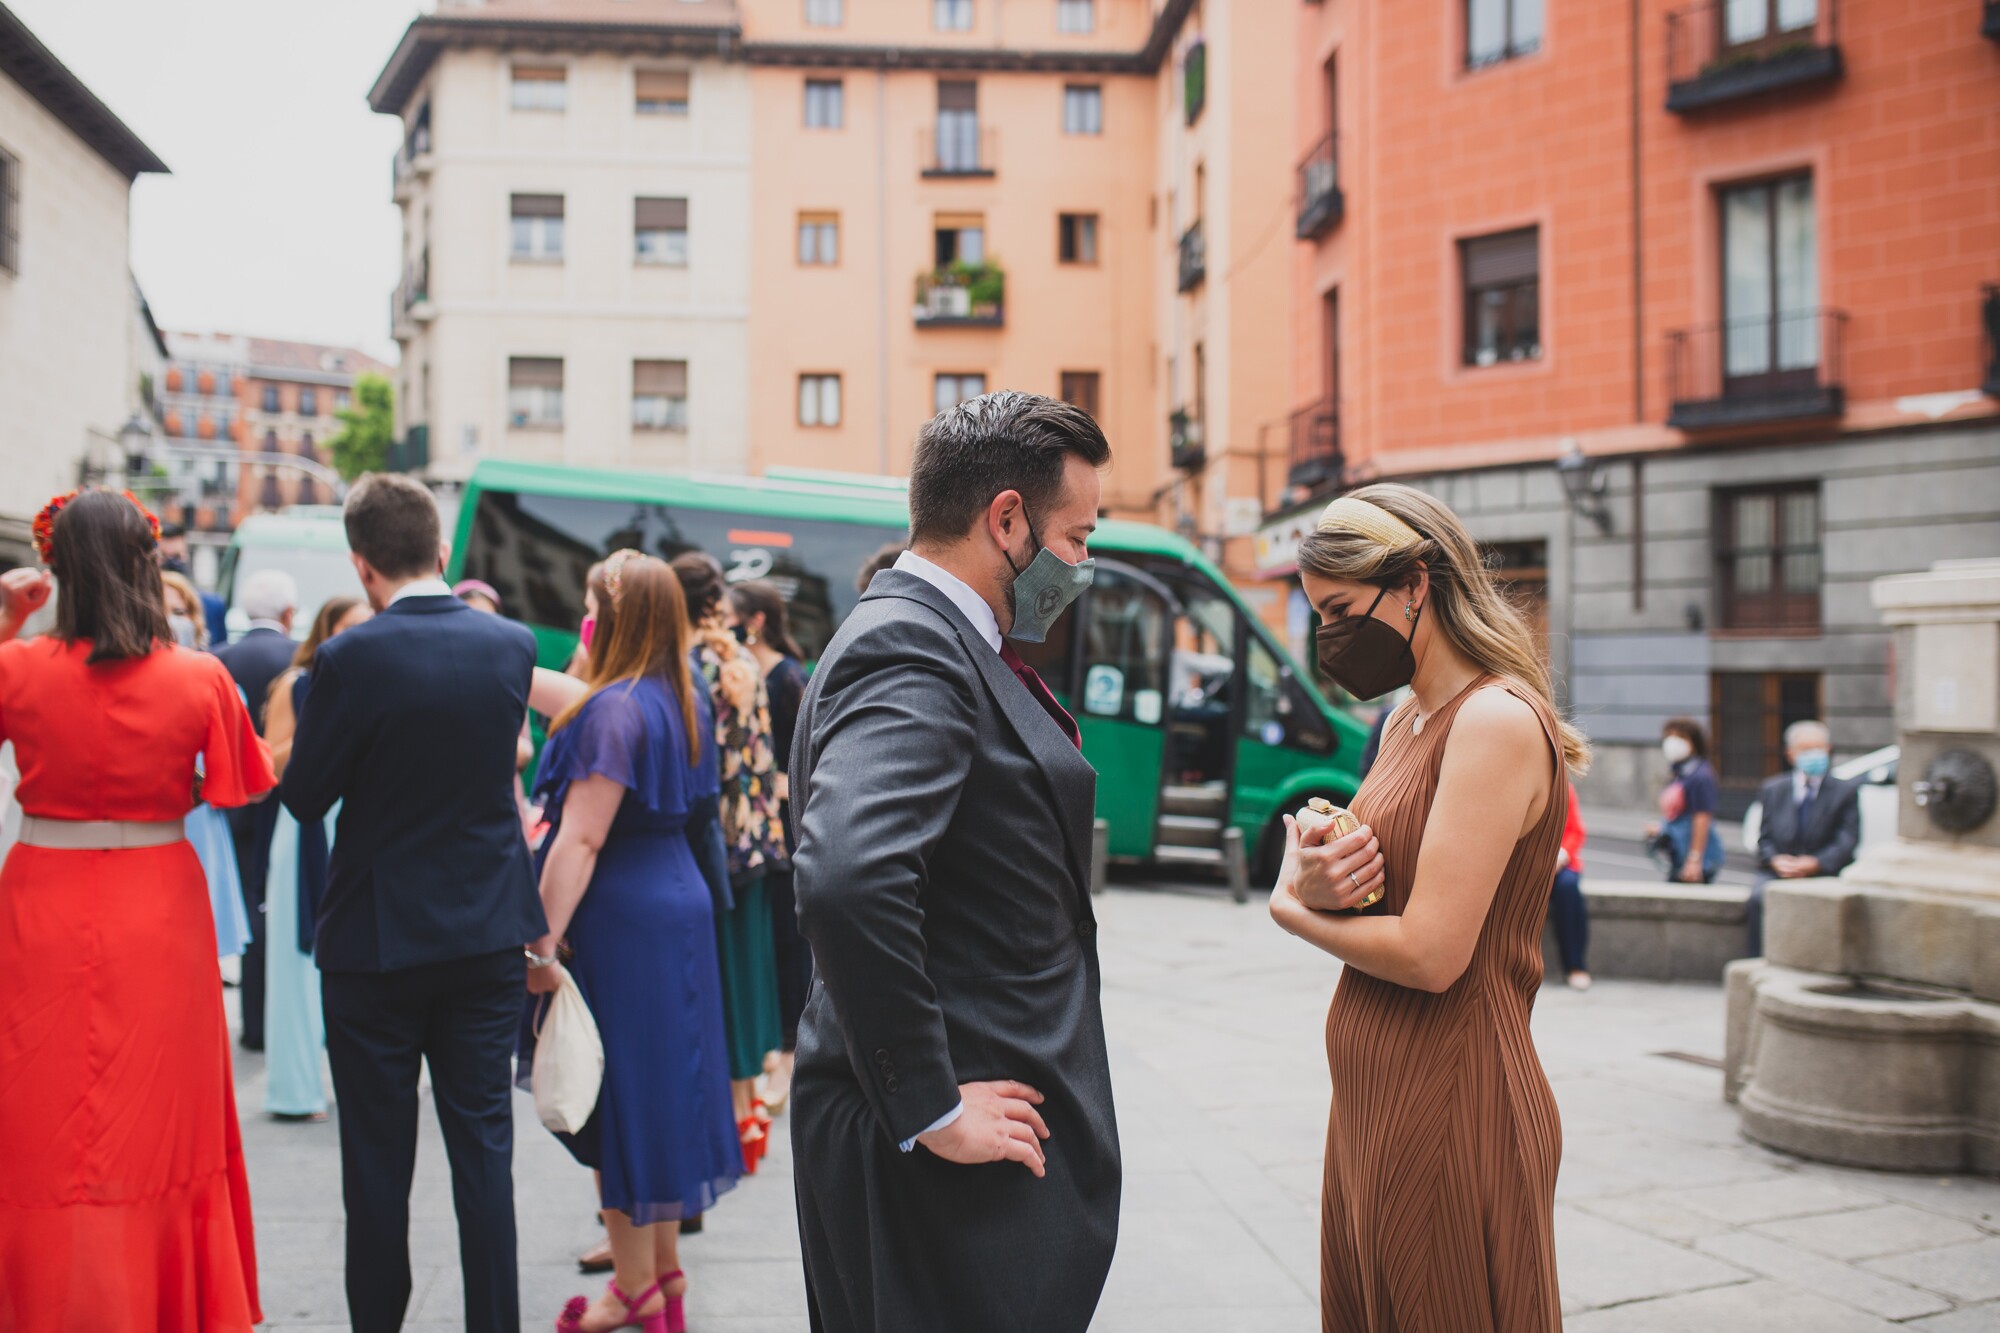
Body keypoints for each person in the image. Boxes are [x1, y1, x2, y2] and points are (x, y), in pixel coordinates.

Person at [789, 391, 1119, 1333]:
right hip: (944, 1186)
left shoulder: (937, 637)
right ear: (1006, 519)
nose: (1081, 565)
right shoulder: (913, 646)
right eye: (1077, 537)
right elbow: (849, 876)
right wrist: (932, 1106)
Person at [1266, 484, 1589, 1331]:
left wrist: (1293, 909)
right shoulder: (1403, 719)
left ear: (1415, 583)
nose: (1330, 637)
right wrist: (1322, 874)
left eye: (1341, 610)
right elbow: (1386, 887)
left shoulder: (1493, 721)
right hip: (1375, 1097)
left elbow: (1434, 952)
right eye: (1320, 616)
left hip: (1450, 1098)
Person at [0, 489, 275, 1331]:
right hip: (159, 900)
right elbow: (241, 783)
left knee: (36, 1108)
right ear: (147, 564)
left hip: (42, 894)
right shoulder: (199, 675)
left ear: (56, 567)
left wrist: (8, 620)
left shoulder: (16, 667)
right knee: (160, 1117)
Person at [280, 473, 545, 1333]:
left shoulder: (349, 658)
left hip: (376, 939)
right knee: (485, 1156)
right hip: (486, 932)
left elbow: (305, 796)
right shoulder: (509, 644)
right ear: (440, 549)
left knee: (376, 1165)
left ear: (362, 565)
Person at [522, 550, 744, 1333]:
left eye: (590, 608)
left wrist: (540, 948)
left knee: (618, 1100)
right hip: (676, 899)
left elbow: (580, 840)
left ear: (611, 617)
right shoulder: (680, 696)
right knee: (661, 1097)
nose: (582, 621)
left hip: (623, 913)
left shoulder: (615, 708)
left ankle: (635, 1288)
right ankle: (659, 1278)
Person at [672, 551, 788, 1172]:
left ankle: (731, 1125)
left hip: (715, 848)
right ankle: (748, 1117)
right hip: (757, 843)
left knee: (723, 988)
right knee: (748, 981)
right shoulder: (738, 658)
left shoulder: (693, 666)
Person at [261, 595, 372, 1119]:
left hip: (361, 822)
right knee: (294, 959)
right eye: (348, 626)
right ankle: (295, 1090)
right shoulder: (297, 684)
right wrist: (323, 725)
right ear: (325, 630)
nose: (357, 636)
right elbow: (271, 761)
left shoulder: (378, 679)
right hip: (306, 824)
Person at [728, 578, 812, 1112]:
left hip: (784, 826)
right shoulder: (736, 671)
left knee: (789, 937)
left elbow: (818, 751)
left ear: (754, 621)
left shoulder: (789, 677)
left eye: (731, 616)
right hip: (754, 830)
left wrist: (782, 782)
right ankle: (773, 1052)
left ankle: (790, 1055)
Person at [215, 566, 301, 1050]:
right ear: (289, 613)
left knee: (247, 907)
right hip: (285, 802)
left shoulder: (217, 658)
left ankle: (252, 1023)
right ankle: (280, 1019)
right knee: (280, 907)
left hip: (227, 801)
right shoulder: (300, 660)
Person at [162, 568, 256, 960]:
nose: (173, 620)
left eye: (180, 611)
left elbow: (245, 774)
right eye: (163, 610)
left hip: (201, 819)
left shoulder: (215, 681)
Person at [1748, 719, 1861, 956]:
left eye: (1819, 748)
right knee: (1758, 899)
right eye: (1807, 750)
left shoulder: (1845, 791)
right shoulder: (1774, 789)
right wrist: (1777, 861)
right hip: (1779, 871)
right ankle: (1758, 959)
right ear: (1791, 754)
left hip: (1824, 871)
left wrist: (1815, 863)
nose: (1814, 755)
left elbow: (1847, 840)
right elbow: (1764, 839)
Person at [1648, 717, 1724, 885]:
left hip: (1695, 856)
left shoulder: (1701, 776)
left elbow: (1702, 818)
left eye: (1680, 737)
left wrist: (1694, 859)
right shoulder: (1681, 773)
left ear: (1694, 742)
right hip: (1679, 851)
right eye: (1670, 736)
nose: (1673, 742)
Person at [159, 519, 229, 646]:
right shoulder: (143, 602)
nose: (171, 562)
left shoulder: (211, 605)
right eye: (164, 556)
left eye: (176, 556)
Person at [1549, 780, 1591, 990]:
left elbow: (1576, 831)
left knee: (1568, 888)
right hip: (1527, 862)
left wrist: (1561, 856)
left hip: (1561, 863)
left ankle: (1576, 966)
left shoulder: (1564, 788)